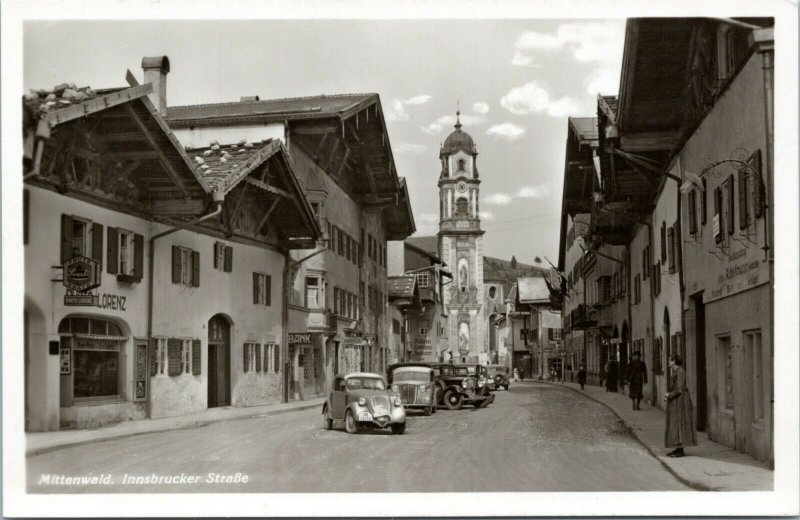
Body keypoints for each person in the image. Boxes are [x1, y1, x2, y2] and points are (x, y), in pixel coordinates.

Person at [663, 355, 697, 457]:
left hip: (681, 401)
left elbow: (679, 389)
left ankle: (680, 450)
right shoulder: (675, 371)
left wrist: (669, 395)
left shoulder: (680, 371)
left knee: (679, 422)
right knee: (675, 423)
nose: (668, 362)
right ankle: (677, 448)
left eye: (669, 360)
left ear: (674, 361)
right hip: (676, 400)